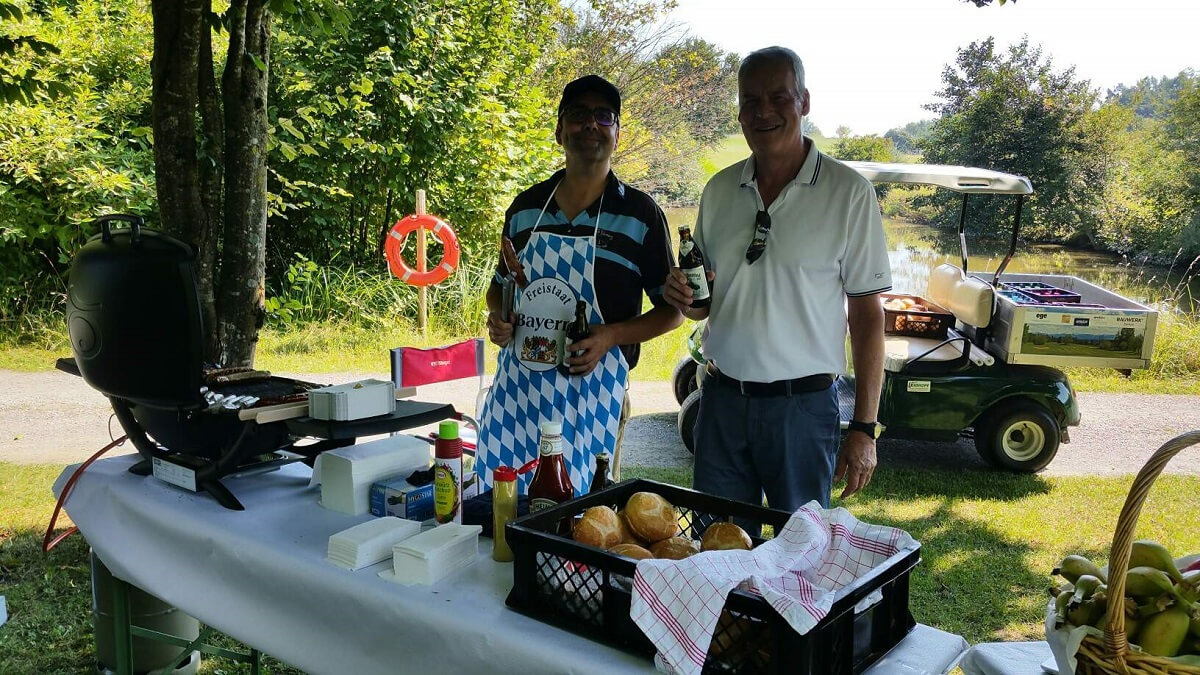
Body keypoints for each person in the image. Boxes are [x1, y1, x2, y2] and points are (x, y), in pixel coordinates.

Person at [664, 46, 890, 521]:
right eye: (750, 100)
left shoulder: (849, 193)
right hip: (721, 402)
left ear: (804, 101)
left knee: (800, 559)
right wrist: (687, 298)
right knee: (718, 549)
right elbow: (705, 302)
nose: (763, 111)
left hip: (803, 411)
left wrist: (864, 427)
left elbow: (868, 316)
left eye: (778, 97)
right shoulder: (719, 190)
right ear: (740, 111)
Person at [476, 75, 682, 493]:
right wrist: (500, 316)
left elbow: (673, 311)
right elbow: (500, 286)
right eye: (578, 115)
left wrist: (611, 336)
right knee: (501, 507)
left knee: (584, 517)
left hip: (595, 394)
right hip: (519, 395)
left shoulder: (640, 215)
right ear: (559, 131)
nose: (591, 125)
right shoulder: (525, 208)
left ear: (617, 134)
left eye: (604, 116)